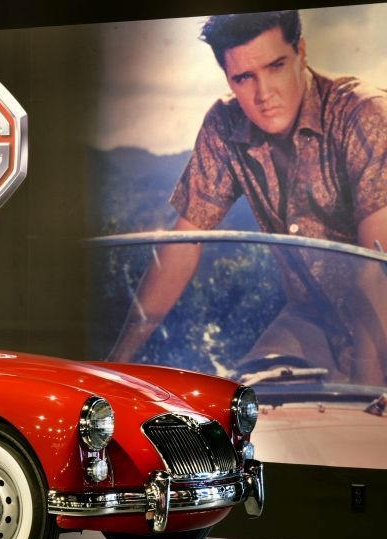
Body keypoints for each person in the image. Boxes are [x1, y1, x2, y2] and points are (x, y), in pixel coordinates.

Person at [109, 10, 387, 385]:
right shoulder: (224, 125)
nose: (263, 94)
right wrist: (116, 361)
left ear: (301, 52)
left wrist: (365, 385)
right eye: (244, 77)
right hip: (314, 317)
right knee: (247, 405)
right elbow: (184, 240)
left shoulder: (362, 115)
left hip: (379, 314)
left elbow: (376, 263)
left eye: (276, 66)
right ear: (228, 78)